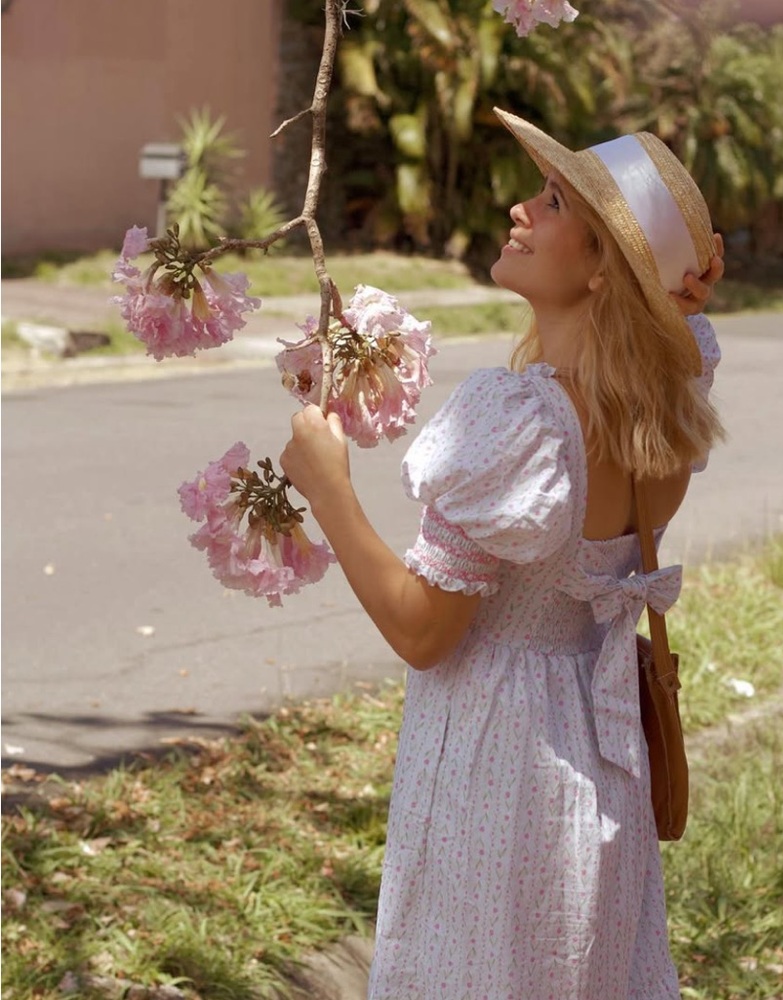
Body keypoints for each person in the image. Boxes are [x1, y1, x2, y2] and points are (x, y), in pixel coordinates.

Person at [279, 108, 725, 999]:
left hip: (498, 767)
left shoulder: (520, 424)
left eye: (553, 202)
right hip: (598, 769)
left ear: (604, 270)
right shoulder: (663, 406)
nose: (521, 210)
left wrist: (329, 488)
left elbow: (424, 630)